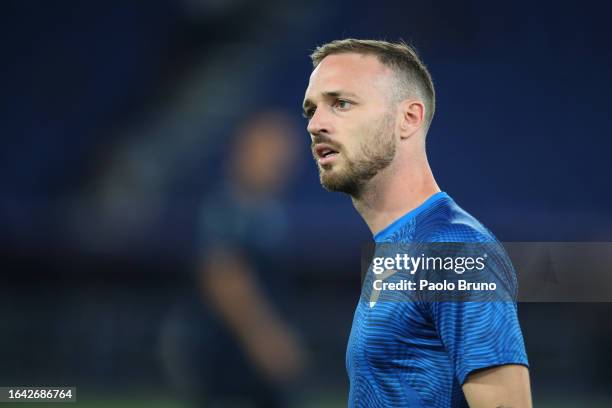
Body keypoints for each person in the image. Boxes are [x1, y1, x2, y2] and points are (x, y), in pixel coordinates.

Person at [302, 39, 531, 407]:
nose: (316, 124)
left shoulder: (452, 248)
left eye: (341, 103)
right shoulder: (403, 245)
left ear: (408, 118)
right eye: (311, 110)